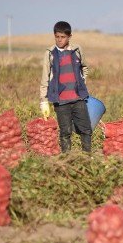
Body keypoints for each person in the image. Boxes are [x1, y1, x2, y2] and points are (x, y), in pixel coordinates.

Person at [39, 21, 92, 153]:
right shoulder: (50, 53)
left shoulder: (77, 50)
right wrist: (44, 101)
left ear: (69, 36)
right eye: (57, 37)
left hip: (78, 98)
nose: (59, 40)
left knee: (85, 129)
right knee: (65, 132)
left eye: (63, 37)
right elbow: (45, 77)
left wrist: (82, 83)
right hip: (61, 101)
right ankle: (67, 159)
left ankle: (87, 158)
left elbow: (84, 68)